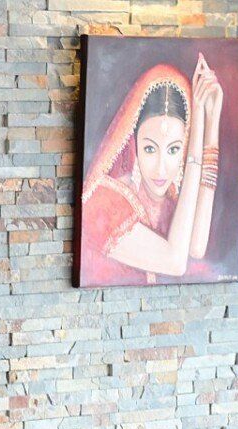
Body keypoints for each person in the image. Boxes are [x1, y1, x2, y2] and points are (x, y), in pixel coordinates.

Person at [81, 55, 224, 286]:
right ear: (133, 143)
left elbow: (197, 247)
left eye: (174, 149)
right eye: (150, 149)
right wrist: (197, 121)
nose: (161, 168)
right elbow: (175, 262)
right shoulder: (103, 203)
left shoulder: (168, 202)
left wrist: (211, 118)